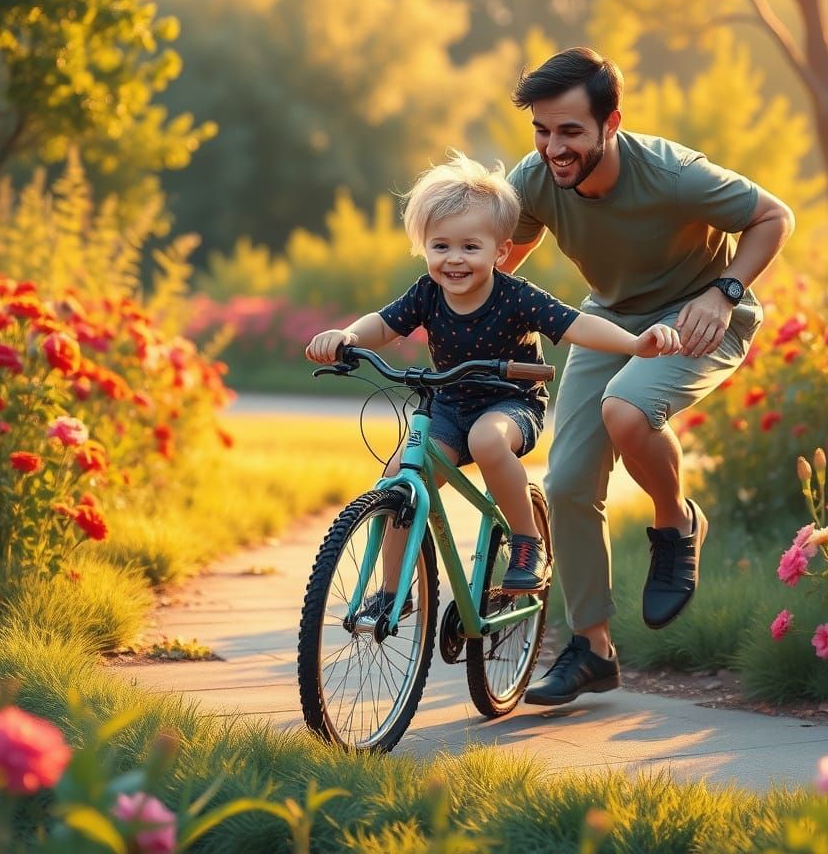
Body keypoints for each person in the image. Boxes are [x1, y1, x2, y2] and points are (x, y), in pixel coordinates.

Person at [500, 47, 794, 706]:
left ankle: (675, 523)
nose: (553, 148)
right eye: (542, 131)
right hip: (611, 319)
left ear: (611, 123)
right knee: (567, 483)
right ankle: (592, 650)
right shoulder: (536, 179)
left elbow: (775, 217)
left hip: (699, 316)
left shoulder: (673, 175)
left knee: (627, 410)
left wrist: (723, 292)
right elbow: (503, 256)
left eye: (570, 131)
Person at [305, 151, 680, 604]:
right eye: (441, 247)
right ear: (425, 248)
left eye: (470, 247)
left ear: (500, 252)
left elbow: (576, 324)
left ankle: (527, 541)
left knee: (486, 439)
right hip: (450, 406)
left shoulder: (516, 296)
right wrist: (347, 336)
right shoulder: (427, 293)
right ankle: (391, 591)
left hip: (513, 405)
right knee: (401, 476)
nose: (454, 260)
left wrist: (634, 343)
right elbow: (384, 325)